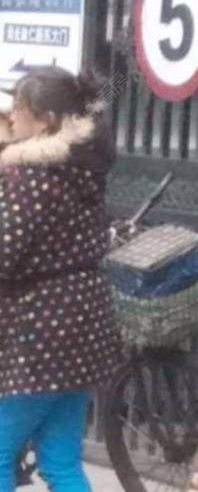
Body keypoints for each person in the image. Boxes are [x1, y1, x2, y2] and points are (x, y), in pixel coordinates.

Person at [0, 68, 123, 492]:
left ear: (46, 120)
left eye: (18, 109)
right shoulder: (82, 166)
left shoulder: (28, 178)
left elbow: (5, 253)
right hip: (83, 328)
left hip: (38, 335)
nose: (11, 116)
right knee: (60, 461)